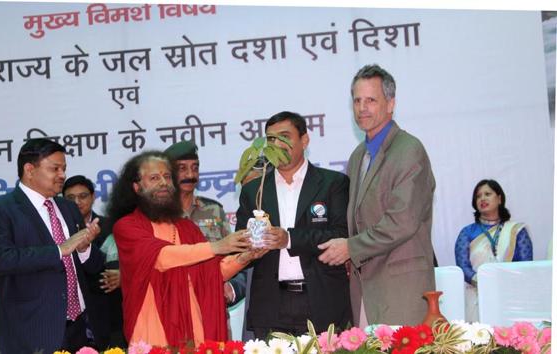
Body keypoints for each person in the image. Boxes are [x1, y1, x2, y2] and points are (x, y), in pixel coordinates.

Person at [107, 151, 266, 347]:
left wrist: (245, 257)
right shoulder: (127, 226)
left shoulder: (187, 228)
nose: (163, 183)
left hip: (193, 325)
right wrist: (217, 246)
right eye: (154, 178)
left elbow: (211, 273)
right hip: (150, 326)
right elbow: (161, 257)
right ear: (137, 187)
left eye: (167, 177)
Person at [317, 64, 436, 326]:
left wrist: (350, 247)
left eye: (371, 100)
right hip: (364, 290)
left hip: (401, 288)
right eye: (357, 101)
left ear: (391, 103)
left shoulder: (409, 150)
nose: (362, 108)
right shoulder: (358, 155)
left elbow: (402, 221)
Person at [0, 138, 104, 354]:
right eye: (55, 168)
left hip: (81, 328)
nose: (62, 175)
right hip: (34, 331)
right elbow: (2, 261)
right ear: (29, 170)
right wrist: (60, 249)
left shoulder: (68, 208)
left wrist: (84, 249)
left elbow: (93, 269)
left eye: (64, 168)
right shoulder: (0, 210)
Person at [235, 111, 352, 339]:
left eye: (285, 136)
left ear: (304, 140)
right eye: (271, 139)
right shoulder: (254, 191)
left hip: (322, 302)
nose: (277, 144)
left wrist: (288, 238)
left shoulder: (332, 183)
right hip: (270, 306)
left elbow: (341, 234)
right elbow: (240, 242)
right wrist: (249, 247)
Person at [164, 140, 247, 306]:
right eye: (182, 168)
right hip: (171, 308)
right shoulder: (157, 216)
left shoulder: (214, 210)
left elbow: (236, 258)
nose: (190, 175)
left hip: (212, 306)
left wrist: (231, 289)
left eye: (195, 168)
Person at [454, 179, 533, 321]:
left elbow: (525, 265)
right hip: (476, 295)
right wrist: (483, 282)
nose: (482, 198)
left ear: (499, 198)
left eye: (487, 194)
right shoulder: (467, 232)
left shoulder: (516, 231)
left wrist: (502, 282)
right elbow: (462, 265)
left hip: (510, 295)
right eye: (478, 196)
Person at [63, 175, 126, 349]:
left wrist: (124, 275)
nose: (77, 202)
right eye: (70, 198)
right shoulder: (58, 230)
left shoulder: (114, 226)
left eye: (82, 196)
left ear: (93, 197)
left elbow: (133, 260)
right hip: (73, 318)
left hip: (110, 313)